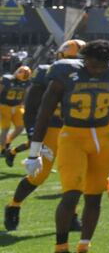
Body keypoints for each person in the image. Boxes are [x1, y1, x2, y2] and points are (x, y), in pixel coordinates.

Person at [29, 40, 109, 253]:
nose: (97, 70)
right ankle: (60, 252)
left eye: (102, 66)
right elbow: (45, 112)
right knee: (71, 195)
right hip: (72, 137)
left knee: (94, 198)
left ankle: (83, 252)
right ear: (84, 60)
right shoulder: (65, 73)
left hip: (103, 139)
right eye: (93, 65)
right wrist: (34, 151)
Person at [4, 41, 85, 232]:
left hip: (72, 130)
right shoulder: (47, 74)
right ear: (61, 58)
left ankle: (72, 214)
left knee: (78, 174)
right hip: (49, 129)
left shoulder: (88, 75)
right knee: (39, 176)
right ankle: (14, 205)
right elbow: (31, 109)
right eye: (74, 59)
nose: (78, 64)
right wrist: (33, 134)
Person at [0, 65, 29, 164]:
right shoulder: (7, 79)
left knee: (20, 127)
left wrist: (22, 104)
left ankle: (8, 142)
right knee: (5, 128)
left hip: (17, 106)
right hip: (4, 106)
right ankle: (2, 149)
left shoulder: (26, 82)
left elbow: (24, 94)